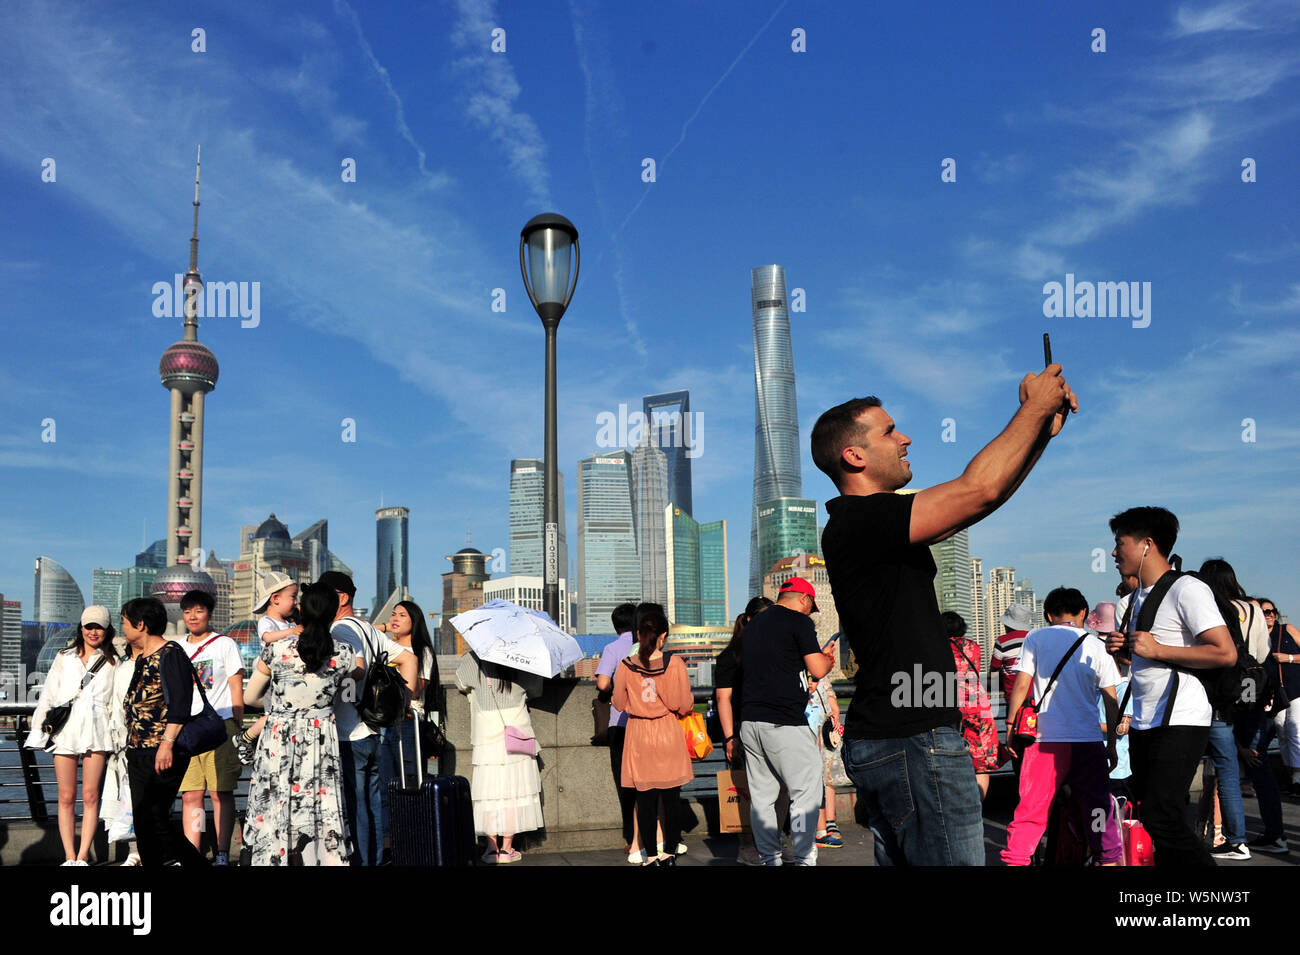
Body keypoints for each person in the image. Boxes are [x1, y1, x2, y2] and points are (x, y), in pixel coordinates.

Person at [812, 365, 1077, 866]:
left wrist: (1038, 433)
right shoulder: (861, 519)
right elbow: (978, 489)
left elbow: (981, 500)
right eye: (890, 431)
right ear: (855, 455)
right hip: (913, 739)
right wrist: (1033, 409)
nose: (905, 438)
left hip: (897, 738)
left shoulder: (873, 524)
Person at [1103, 507, 1235, 867]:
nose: (1114, 553)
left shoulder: (1187, 589)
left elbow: (1225, 652)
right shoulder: (1130, 601)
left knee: (1162, 818)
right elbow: (1139, 665)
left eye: (1120, 543)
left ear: (1147, 545)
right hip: (1145, 718)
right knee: (1155, 817)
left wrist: (1155, 648)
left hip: (1182, 716)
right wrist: (1121, 651)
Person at [1001, 587, 1122, 866]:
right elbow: (1111, 700)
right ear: (1083, 613)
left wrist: (1010, 725)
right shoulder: (1096, 645)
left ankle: (1016, 860)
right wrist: (1112, 744)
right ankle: (1109, 859)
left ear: (1048, 615)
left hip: (1045, 740)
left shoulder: (1035, 637)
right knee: (1097, 808)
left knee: (1031, 810)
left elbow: (1022, 684)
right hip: (1088, 740)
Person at [242, 582, 359, 865]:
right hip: (321, 738)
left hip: (278, 738)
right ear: (333, 614)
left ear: (301, 610)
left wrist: (282, 708)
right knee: (321, 804)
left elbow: (250, 696)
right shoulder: (343, 654)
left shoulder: (276, 649)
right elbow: (347, 692)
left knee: (277, 801)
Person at [318, 571, 416, 866]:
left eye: (325, 593)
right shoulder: (369, 629)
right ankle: (373, 859)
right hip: (373, 731)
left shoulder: (340, 631)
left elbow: (351, 672)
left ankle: (361, 861)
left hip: (349, 732)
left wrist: (346, 693)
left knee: (355, 807)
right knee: (372, 805)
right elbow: (409, 659)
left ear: (342, 597)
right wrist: (404, 703)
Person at [738, 577, 833, 866]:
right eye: (811, 607)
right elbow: (816, 667)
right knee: (805, 793)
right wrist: (826, 660)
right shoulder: (798, 622)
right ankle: (804, 857)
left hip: (751, 722)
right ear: (804, 599)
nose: (810, 613)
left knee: (763, 797)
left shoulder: (752, 625)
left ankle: (769, 857)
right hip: (784, 723)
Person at [26, 606, 118, 865]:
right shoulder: (64, 657)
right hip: (66, 729)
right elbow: (49, 696)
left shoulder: (113, 662)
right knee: (66, 797)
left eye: (98, 626)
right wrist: (39, 731)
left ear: (107, 630)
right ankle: (68, 856)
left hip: (97, 730)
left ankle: (82, 856)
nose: (93, 631)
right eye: (88, 626)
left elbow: (116, 703)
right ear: (81, 628)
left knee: (90, 796)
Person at [119, 596, 206, 866]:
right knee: (144, 821)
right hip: (138, 750)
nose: (122, 628)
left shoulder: (170, 654)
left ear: (141, 624)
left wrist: (167, 744)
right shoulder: (142, 658)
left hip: (163, 749)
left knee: (155, 817)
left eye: (124, 622)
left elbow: (180, 704)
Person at [610, 602, 695, 867]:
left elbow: (618, 702)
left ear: (638, 635)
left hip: (639, 734)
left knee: (644, 799)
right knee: (671, 799)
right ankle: (669, 852)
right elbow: (684, 705)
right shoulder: (675, 663)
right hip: (668, 731)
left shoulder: (626, 665)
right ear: (664, 636)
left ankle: (651, 857)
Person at [1196, 559, 1267, 861]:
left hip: (1218, 696)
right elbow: (1261, 653)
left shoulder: (1211, 608)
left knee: (1222, 766)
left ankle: (1227, 835)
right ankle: (1260, 833)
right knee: (1247, 768)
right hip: (1251, 694)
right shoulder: (1252, 608)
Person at [173, 590, 244, 865]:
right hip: (189, 728)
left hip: (221, 725)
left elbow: (236, 686)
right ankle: (194, 852)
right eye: (188, 611)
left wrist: (236, 725)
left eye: (199, 610)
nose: (193, 616)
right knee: (191, 794)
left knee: (220, 792)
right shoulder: (177, 647)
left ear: (209, 613)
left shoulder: (224, 644)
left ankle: (223, 852)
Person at [456, 650, 544, 864]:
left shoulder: (473, 657)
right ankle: (506, 848)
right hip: (516, 732)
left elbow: (461, 682)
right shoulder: (524, 657)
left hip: (486, 733)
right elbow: (535, 689)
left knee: (488, 793)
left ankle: (490, 848)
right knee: (514, 792)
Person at [714, 595, 772, 866]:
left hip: (773, 725)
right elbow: (723, 698)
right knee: (745, 788)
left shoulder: (774, 649)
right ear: (747, 620)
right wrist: (729, 737)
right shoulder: (731, 656)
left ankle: (770, 839)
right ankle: (747, 843)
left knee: (776, 787)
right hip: (741, 728)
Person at [377, 599, 439, 852]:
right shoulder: (383, 647)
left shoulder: (420, 651)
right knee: (383, 784)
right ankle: (388, 843)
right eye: (393, 614)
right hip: (381, 721)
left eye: (402, 615)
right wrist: (383, 627)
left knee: (409, 781)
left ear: (414, 622)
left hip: (407, 722)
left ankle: (412, 838)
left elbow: (415, 689)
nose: (395, 619)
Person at [232, 572, 301, 765]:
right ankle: (245, 738)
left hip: (286, 677)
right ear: (275, 599)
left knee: (279, 715)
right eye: (293, 597)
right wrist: (292, 631)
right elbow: (268, 638)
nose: (295, 602)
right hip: (273, 678)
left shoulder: (290, 622)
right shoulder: (267, 622)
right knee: (273, 715)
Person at [594, 602, 642, 861]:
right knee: (649, 781)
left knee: (626, 783)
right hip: (646, 724)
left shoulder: (612, 648)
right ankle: (654, 835)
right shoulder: (647, 645)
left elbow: (603, 683)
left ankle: (632, 839)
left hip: (620, 723)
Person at [942, 611, 998, 801]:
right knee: (981, 762)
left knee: (948, 756)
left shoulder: (939, 647)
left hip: (950, 703)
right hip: (977, 703)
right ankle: (977, 807)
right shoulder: (974, 647)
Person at [1257, 598, 1300, 797]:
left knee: (1294, 729)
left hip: (1296, 689)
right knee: (1282, 732)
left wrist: (1288, 658)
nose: (1270, 615)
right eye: (1265, 612)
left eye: (1272, 611)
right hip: (1275, 694)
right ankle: (1291, 774)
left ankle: (1297, 778)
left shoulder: (1287, 629)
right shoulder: (1258, 636)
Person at [991, 604, 1035, 702]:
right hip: (1036, 697)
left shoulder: (1002, 641)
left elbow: (994, 670)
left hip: (1013, 697)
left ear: (1007, 624)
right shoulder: (1035, 637)